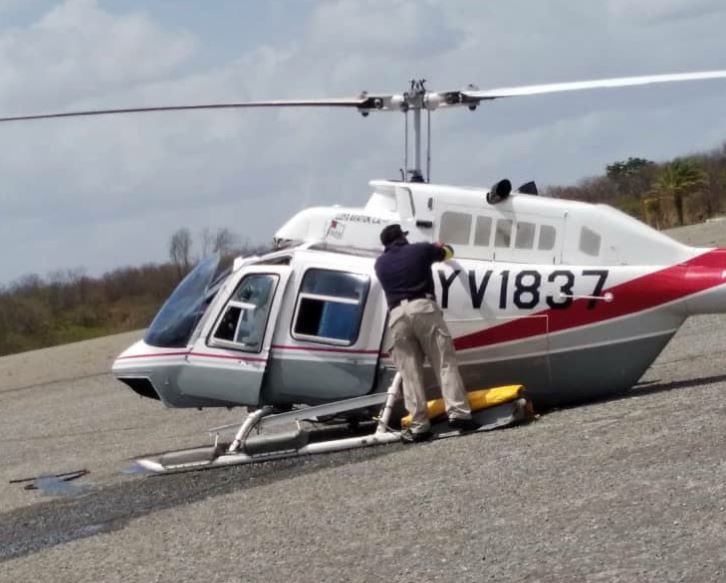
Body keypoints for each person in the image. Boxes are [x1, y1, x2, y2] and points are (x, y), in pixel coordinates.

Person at [374, 224, 479, 443]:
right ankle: (458, 414)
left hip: (397, 317)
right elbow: (448, 252)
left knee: (410, 374)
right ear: (403, 237)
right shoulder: (420, 250)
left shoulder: (380, 264)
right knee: (443, 362)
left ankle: (419, 425)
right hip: (423, 308)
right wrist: (440, 247)